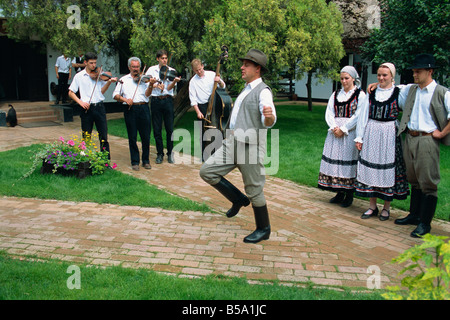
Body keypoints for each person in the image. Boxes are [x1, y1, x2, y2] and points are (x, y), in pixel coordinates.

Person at [199, 49, 276, 244]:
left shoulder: (263, 92)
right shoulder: (246, 89)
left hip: (250, 146)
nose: (242, 67)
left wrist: (269, 117)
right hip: (231, 142)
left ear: (257, 69)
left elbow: (269, 118)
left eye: (246, 65)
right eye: (243, 64)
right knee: (207, 171)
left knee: (254, 189)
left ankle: (263, 228)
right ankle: (237, 199)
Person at [392, 53, 449, 237]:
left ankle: (425, 224)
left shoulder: (441, 92)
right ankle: (414, 215)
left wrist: (441, 133)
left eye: (418, 71)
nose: (414, 75)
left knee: (428, 182)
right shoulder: (412, 89)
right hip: (410, 137)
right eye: (414, 71)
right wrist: (376, 85)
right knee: (414, 178)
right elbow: (392, 87)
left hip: (427, 140)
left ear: (430, 71)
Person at [355, 63, 409, 221]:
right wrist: (359, 137)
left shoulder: (399, 92)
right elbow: (363, 116)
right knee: (371, 168)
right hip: (372, 132)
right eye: (379, 75)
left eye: (385, 75)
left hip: (389, 135)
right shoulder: (371, 93)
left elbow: (414, 87)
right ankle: (372, 206)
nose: (381, 78)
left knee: (387, 170)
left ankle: (386, 208)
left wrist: (395, 85)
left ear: (392, 75)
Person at [318, 66, 366, 208]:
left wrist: (344, 129)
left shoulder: (360, 95)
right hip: (335, 131)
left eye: (347, 78)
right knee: (337, 161)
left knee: (348, 160)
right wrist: (334, 127)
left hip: (350, 132)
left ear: (353, 78)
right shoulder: (336, 94)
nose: (344, 81)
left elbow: (359, 115)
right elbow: (329, 112)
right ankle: (339, 191)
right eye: (342, 78)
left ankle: (349, 193)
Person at [68, 52, 117, 158]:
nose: (94, 65)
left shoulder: (99, 75)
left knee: (103, 135)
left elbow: (101, 92)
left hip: (99, 107)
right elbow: (71, 92)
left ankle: (105, 160)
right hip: (86, 108)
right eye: (91, 63)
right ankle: (85, 158)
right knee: (86, 135)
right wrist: (81, 102)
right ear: (85, 62)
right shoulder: (79, 76)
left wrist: (108, 82)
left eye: (95, 63)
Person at [113, 57, 155, 171]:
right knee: (132, 137)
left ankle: (146, 161)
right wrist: (125, 100)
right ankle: (135, 161)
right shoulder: (123, 79)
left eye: (137, 67)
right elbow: (115, 95)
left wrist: (151, 85)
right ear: (129, 67)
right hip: (130, 109)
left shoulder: (145, 79)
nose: (136, 69)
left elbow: (147, 94)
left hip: (144, 107)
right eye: (134, 67)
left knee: (146, 136)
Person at [145, 50, 181, 164]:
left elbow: (170, 88)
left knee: (170, 129)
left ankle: (170, 153)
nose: (164, 60)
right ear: (158, 59)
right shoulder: (151, 69)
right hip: (155, 100)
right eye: (162, 58)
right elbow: (146, 82)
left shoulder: (172, 71)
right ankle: (159, 153)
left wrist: (174, 82)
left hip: (168, 100)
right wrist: (156, 85)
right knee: (157, 129)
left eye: (165, 58)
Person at [188, 58, 226, 161]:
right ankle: (204, 155)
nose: (199, 72)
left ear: (202, 66)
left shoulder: (212, 74)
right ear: (193, 70)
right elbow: (193, 99)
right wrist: (198, 112)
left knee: (216, 129)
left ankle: (217, 153)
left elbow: (223, 86)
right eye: (196, 71)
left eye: (200, 69)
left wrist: (219, 82)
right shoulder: (193, 82)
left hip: (214, 104)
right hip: (202, 106)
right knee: (203, 132)